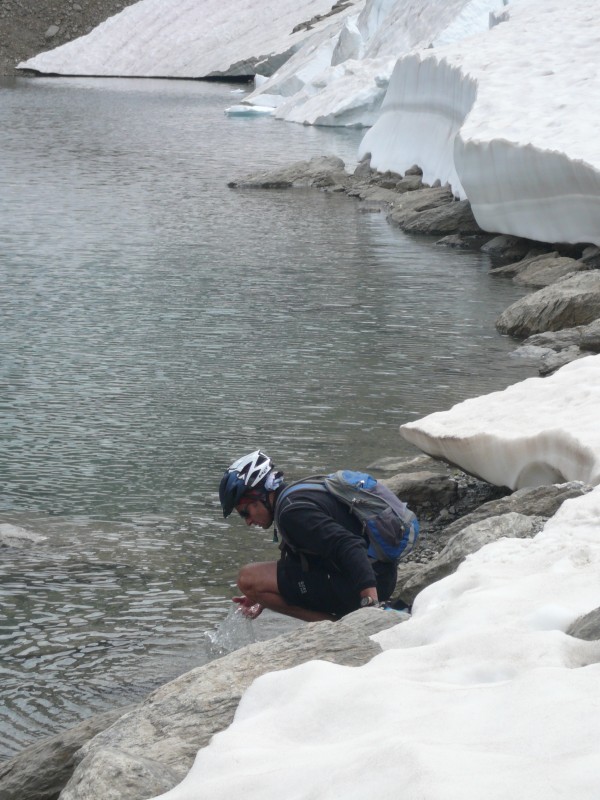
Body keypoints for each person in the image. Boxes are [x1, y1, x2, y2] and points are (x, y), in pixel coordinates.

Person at [218, 450, 399, 622]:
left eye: (245, 513)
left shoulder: (292, 513)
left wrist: (370, 603)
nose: (248, 522)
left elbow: (349, 544)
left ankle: (336, 628)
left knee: (248, 579)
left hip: (367, 583)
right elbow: (305, 557)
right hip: (378, 575)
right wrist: (265, 596)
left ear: (259, 496)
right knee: (257, 582)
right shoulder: (294, 496)